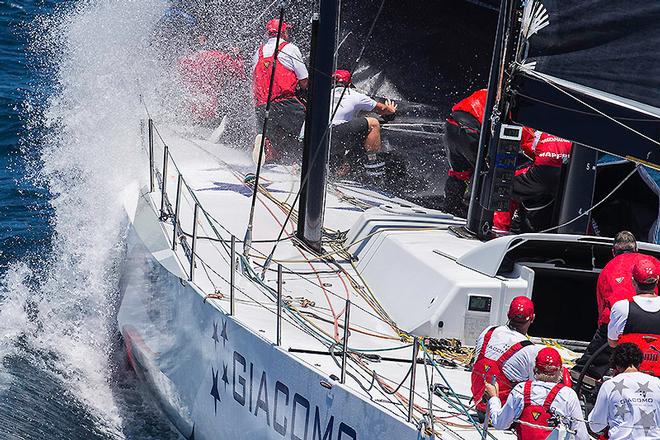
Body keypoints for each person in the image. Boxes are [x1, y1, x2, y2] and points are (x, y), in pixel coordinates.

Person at [574, 232, 658, 379]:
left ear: (613, 251)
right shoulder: (652, 262)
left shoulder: (607, 270)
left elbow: (603, 309)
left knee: (589, 365)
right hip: (654, 320)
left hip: (619, 322)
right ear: (636, 249)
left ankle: (584, 376)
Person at [485, 347, 588, 439]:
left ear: (534, 369)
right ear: (561, 371)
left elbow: (500, 423)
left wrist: (493, 398)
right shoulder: (568, 395)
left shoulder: (520, 389)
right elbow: (581, 436)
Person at [471, 296, 542, 421]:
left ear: (508, 314)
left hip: (479, 408)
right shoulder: (530, 350)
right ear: (533, 318)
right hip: (502, 417)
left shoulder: (488, 331)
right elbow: (537, 388)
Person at [252, 19, 308, 162]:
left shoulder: (258, 53)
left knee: (276, 134)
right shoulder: (290, 48)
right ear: (283, 32)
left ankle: (268, 146)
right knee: (308, 126)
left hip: (262, 106)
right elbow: (304, 81)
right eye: (287, 31)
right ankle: (301, 160)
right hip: (285, 103)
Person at [328, 69, 397, 177]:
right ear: (350, 83)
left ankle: (339, 170)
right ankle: (373, 169)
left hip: (312, 138)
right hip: (334, 134)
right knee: (373, 123)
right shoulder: (354, 95)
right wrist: (391, 110)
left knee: (349, 139)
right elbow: (383, 109)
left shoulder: (320, 94)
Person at [588, 343, 660, 439]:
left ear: (616, 365)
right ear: (639, 363)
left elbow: (595, 425)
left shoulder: (609, 385)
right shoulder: (657, 383)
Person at [508, 128, 573, 233]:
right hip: (566, 175)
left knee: (505, 186)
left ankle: (501, 227)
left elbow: (530, 151)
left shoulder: (539, 131)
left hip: (543, 173)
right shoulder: (571, 133)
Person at [608, 258, 660, 376]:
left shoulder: (621, 307)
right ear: (657, 281)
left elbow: (612, 342)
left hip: (628, 376)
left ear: (633, 282)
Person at [443, 89, 487, 217]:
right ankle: (472, 212)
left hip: (451, 125)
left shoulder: (486, 91)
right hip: (470, 130)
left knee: (458, 172)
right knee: (485, 172)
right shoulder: (506, 98)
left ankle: (450, 207)